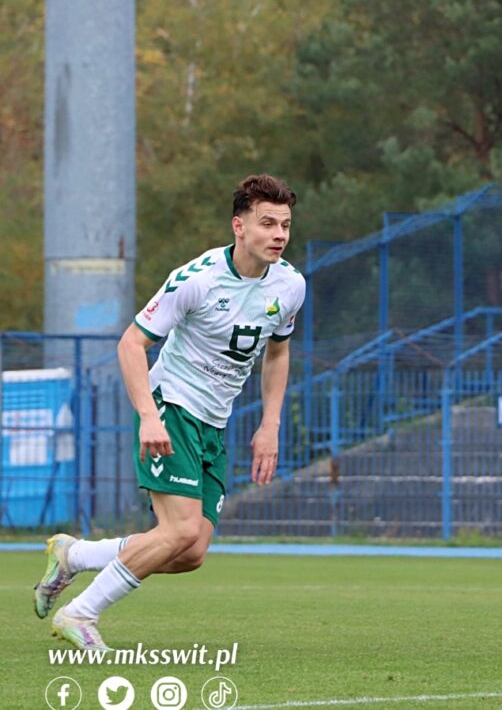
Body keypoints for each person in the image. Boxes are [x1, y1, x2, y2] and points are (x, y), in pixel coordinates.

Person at [33, 174, 306, 651]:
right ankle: (79, 613)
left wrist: (270, 424)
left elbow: (277, 353)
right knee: (177, 530)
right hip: (173, 405)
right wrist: (149, 416)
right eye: (267, 223)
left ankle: (73, 554)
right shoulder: (196, 279)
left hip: (213, 422)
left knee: (191, 550)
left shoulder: (291, 286)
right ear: (238, 226)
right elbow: (131, 344)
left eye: (285, 224)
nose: (279, 234)